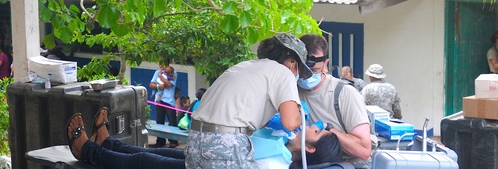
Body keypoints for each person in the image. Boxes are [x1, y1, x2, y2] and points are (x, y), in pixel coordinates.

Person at [185, 33, 311, 169]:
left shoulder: (243, 66)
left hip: (195, 139)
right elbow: (290, 122)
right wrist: (299, 115)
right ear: (293, 64)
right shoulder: (284, 72)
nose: (297, 76)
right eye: (299, 71)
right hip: (226, 143)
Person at [66, 108, 340, 169]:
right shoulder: (281, 138)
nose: (309, 125)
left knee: (144, 159)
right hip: (205, 156)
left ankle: (87, 149)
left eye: (314, 130)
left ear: (309, 149)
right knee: (145, 153)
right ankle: (107, 143)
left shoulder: (276, 164)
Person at [297, 34, 373, 168]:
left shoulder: (344, 94)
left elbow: (364, 151)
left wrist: (327, 130)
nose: (305, 76)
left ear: (325, 65)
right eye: (302, 70)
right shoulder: (291, 90)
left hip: (342, 164)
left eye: (313, 70)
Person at [149, 62, 178, 148]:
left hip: (169, 101)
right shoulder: (157, 72)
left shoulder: (173, 73)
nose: (159, 64)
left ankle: (173, 141)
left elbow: (169, 84)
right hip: (159, 100)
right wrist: (158, 86)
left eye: (162, 63)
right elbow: (151, 84)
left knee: (172, 121)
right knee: (159, 121)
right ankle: (160, 141)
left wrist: (161, 77)